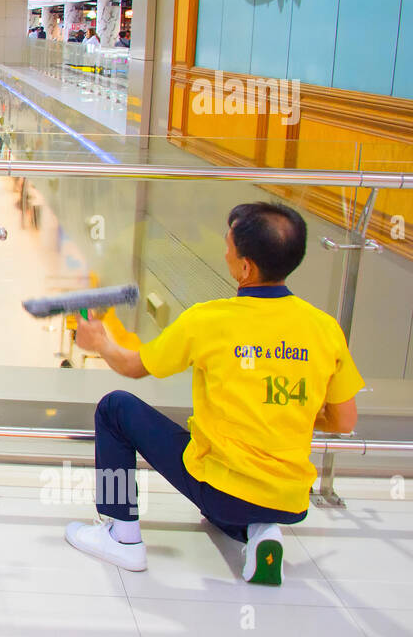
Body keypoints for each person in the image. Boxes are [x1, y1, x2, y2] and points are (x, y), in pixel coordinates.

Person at [66, 202, 363, 585]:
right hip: (291, 499)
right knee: (238, 486)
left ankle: (121, 534)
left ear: (245, 267)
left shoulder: (209, 320)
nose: (224, 252)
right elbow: (344, 420)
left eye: (229, 247)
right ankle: (261, 531)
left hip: (223, 488)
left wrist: (100, 342)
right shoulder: (325, 329)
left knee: (114, 408)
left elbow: (132, 367)